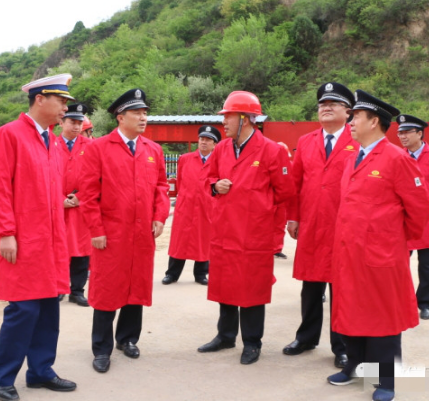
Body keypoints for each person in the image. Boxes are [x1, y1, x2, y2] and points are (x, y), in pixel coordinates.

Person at [327, 90, 429, 402]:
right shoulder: (353, 158)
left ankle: (386, 380)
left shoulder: (397, 159)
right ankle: (356, 367)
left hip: (381, 254)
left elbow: (421, 209)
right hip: (350, 253)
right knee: (351, 311)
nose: (350, 123)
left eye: (356, 117)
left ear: (374, 122)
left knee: (382, 317)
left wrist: (391, 239)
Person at [0, 74, 77, 401]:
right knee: (23, 309)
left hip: (50, 240)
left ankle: (41, 370)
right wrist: (5, 233)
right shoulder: (8, 135)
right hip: (23, 239)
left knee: (49, 306)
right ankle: (1, 376)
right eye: (61, 101)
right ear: (40, 99)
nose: (65, 108)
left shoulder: (51, 139)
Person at [198, 91, 295, 365]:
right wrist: (215, 185)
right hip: (225, 231)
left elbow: (285, 193)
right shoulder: (221, 149)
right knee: (226, 285)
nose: (223, 122)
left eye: (227, 117)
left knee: (252, 290)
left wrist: (266, 222)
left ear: (245, 118)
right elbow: (206, 178)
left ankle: (252, 342)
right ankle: (225, 336)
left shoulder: (272, 151)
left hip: (255, 235)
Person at [80, 89, 170, 374]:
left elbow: (161, 187)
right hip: (111, 233)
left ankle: (128, 339)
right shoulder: (98, 148)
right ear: (120, 117)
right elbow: (88, 193)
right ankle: (101, 348)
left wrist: (160, 216)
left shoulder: (153, 150)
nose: (143, 118)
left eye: (145, 113)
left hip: (142, 233)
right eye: (137, 113)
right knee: (107, 290)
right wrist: (96, 229)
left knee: (136, 286)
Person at [282, 83, 358, 368]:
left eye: (333, 104)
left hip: (343, 225)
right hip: (313, 224)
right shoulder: (306, 141)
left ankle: (342, 346)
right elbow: (295, 183)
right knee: (311, 286)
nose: (326, 107)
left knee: (342, 288)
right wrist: (293, 217)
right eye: (322, 104)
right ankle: (306, 338)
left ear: (348, 112)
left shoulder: (357, 140)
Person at [396, 114, 429, 321]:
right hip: (402, 220)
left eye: (407, 132)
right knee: (398, 263)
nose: (402, 136)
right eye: (400, 133)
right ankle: (400, 300)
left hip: (428, 221)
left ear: (420, 134)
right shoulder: (398, 156)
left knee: (428, 266)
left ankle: (425, 303)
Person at [163, 125, 221, 286]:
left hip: (206, 206)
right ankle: (172, 274)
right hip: (186, 205)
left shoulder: (218, 161)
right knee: (179, 241)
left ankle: (201, 274)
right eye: (202, 139)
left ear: (214, 144)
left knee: (204, 240)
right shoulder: (185, 158)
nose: (204, 142)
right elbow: (180, 182)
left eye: (208, 140)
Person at [58, 104, 93, 307]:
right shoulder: (50, 145)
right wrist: (58, 199)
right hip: (57, 207)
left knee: (82, 250)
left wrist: (81, 196)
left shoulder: (91, 146)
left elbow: (98, 177)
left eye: (80, 123)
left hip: (82, 207)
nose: (77, 126)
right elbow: (42, 177)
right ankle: (59, 288)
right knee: (59, 248)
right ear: (61, 122)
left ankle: (77, 291)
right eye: (72, 122)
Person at [273, 142, 292, 260]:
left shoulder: (290, 166)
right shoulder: (267, 163)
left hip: (282, 200)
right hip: (269, 198)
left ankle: (276, 249)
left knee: (279, 225)